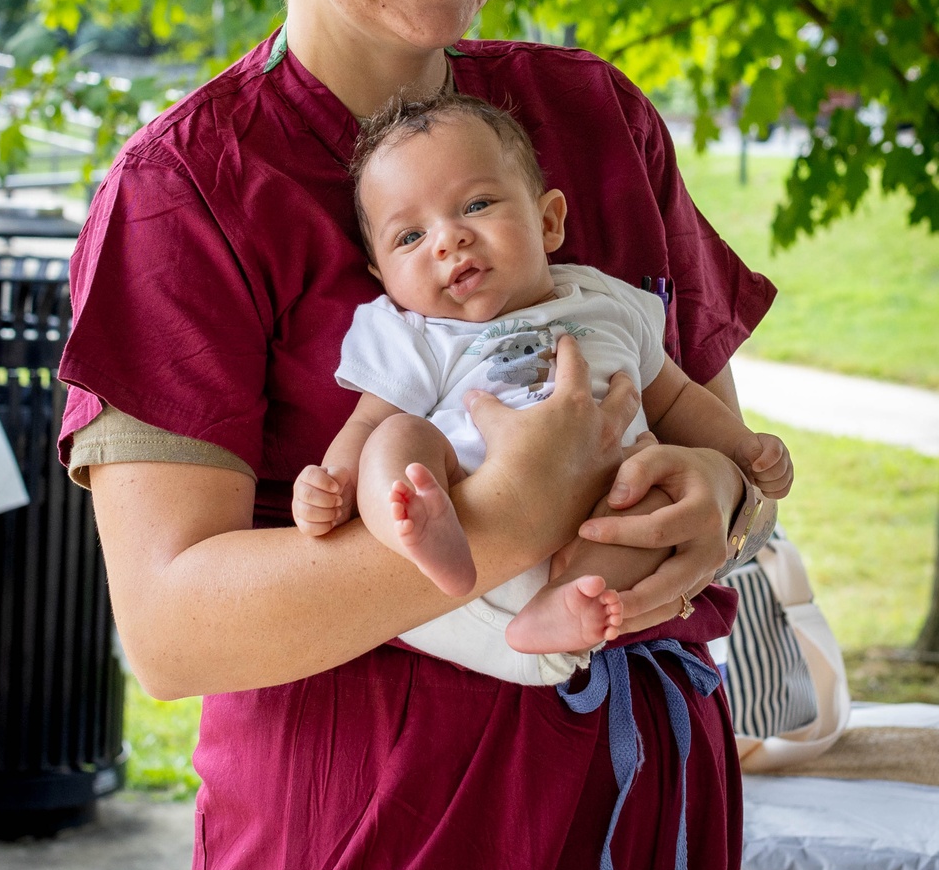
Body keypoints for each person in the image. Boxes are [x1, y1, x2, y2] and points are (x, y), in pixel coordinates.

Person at [59, 0, 779, 870]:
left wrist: (720, 504)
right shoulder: (188, 192)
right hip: (380, 867)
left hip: (640, 826)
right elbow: (169, 627)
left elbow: (717, 437)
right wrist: (506, 517)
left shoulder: (597, 123)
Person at [292, 91, 791, 681]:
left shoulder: (607, 303)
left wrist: (740, 451)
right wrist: (334, 483)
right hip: (463, 511)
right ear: (382, 274)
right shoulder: (417, 335)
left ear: (549, 220)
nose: (447, 240)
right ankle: (419, 528)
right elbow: (367, 425)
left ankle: (566, 603)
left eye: (476, 204)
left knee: (655, 498)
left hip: (605, 507)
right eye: (409, 238)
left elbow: (677, 397)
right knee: (398, 439)